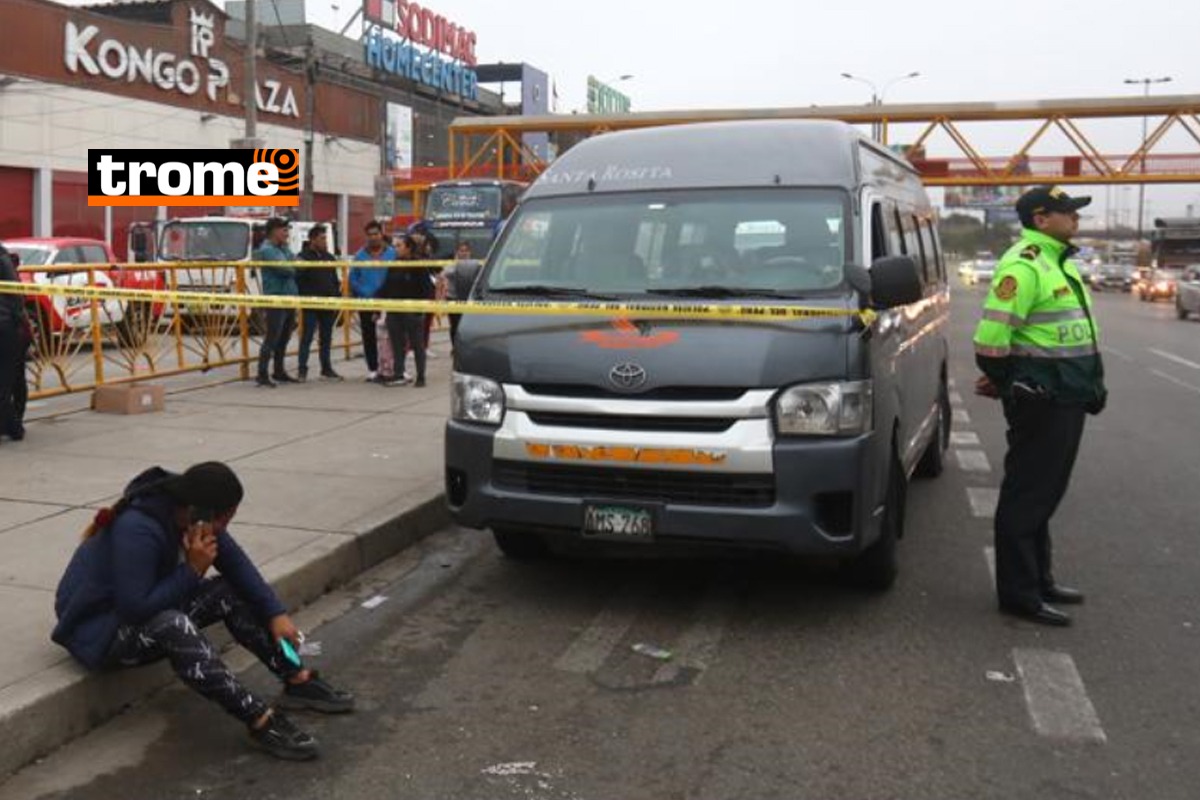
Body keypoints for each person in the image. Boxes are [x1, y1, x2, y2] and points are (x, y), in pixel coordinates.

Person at [51, 462, 354, 760]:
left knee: (229, 590)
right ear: (201, 512)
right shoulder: (138, 529)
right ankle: (260, 720)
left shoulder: (191, 511)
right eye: (223, 521)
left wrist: (276, 614)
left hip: (141, 613)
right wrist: (192, 570)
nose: (223, 530)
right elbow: (135, 608)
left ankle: (297, 679)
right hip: (101, 632)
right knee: (174, 624)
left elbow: (236, 565)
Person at [973, 186, 1107, 628]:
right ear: (1041, 218)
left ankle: (1039, 580)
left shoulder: (1056, 261)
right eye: (1068, 212)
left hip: (1065, 394)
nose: (1076, 218)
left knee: (1045, 493)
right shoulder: (1025, 264)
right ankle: (1019, 594)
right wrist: (1011, 383)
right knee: (1028, 494)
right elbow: (990, 340)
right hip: (1044, 399)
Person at [379, 235, 430, 387]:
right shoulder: (394, 265)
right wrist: (375, 305)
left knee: (417, 344)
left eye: (399, 246)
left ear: (409, 248)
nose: (396, 249)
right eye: (395, 246)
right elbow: (386, 287)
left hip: (412, 311)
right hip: (394, 310)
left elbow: (426, 289)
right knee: (397, 344)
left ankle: (421, 376)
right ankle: (398, 374)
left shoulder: (418, 265)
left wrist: (419, 309)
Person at [296, 224, 342, 382]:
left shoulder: (329, 258)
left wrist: (336, 296)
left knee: (326, 338)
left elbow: (334, 279)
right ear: (312, 239)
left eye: (325, 238)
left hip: (327, 302)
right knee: (307, 337)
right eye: (322, 238)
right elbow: (298, 279)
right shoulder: (303, 257)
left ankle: (326, 368)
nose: (325, 241)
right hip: (310, 303)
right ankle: (302, 370)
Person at [256, 217, 299, 388]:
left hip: (288, 296)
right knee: (272, 337)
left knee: (284, 337)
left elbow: (296, 262)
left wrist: (294, 264)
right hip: (276, 298)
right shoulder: (268, 250)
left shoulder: (283, 248)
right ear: (274, 231)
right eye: (284, 230)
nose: (287, 234)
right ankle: (262, 374)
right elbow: (287, 269)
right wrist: (294, 265)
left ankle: (279, 371)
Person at [349, 221, 394, 383]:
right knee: (368, 335)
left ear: (381, 234)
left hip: (388, 302)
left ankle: (392, 368)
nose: (373, 237)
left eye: (376, 234)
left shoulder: (392, 253)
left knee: (391, 337)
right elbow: (353, 279)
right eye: (370, 235)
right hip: (367, 302)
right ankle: (373, 369)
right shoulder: (359, 256)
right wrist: (365, 292)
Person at [0, 243, 28, 441]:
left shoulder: (3, 259)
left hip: (7, 327)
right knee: (12, 378)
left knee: (10, 379)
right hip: (9, 326)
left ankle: (13, 425)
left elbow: (15, 295)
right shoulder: (4, 259)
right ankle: (13, 425)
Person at [444, 240, 482, 346]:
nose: (464, 253)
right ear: (457, 252)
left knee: (468, 326)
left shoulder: (475, 264)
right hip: (453, 298)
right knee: (455, 325)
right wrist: (457, 263)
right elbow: (447, 273)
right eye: (461, 251)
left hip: (468, 299)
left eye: (466, 251)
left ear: (470, 252)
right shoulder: (452, 264)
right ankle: (455, 347)